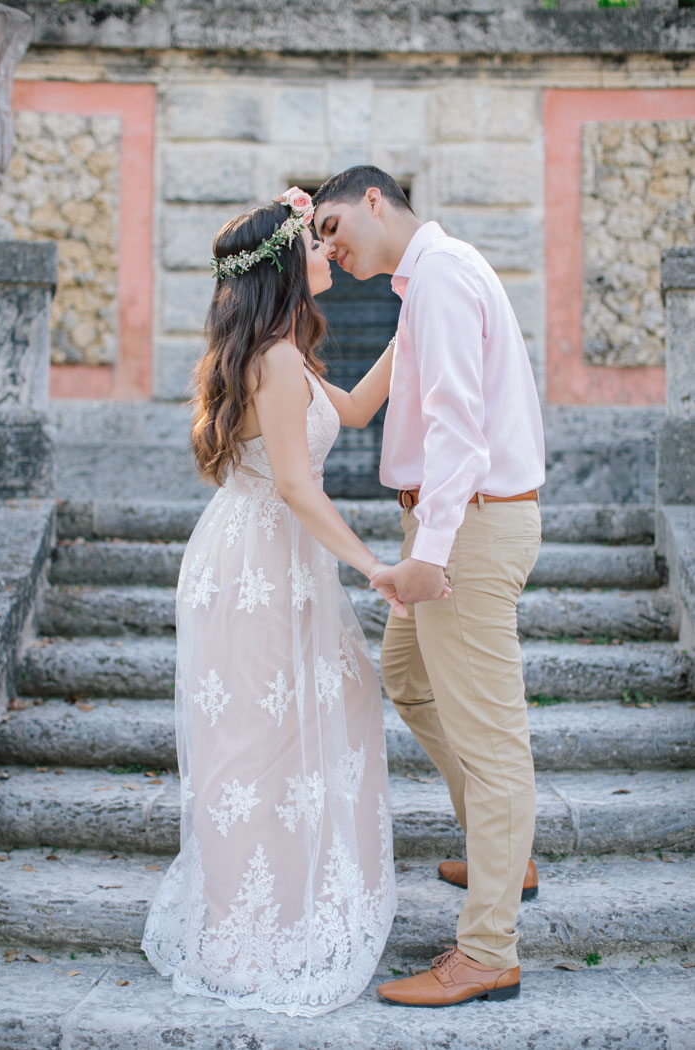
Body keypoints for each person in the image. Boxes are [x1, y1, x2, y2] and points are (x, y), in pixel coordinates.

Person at [141, 187, 441, 1016]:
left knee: (324, 713)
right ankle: (246, 937)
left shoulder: (287, 353)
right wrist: (374, 565)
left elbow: (351, 410)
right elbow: (301, 490)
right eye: (315, 239)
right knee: (254, 743)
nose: (329, 251)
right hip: (256, 563)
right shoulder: (273, 359)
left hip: (276, 557)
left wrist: (414, 326)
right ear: (284, 262)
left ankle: (290, 905)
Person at [313, 166, 545, 1008]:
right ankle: (501, 846)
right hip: (449, 522)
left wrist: (433, 551)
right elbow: (352, 407)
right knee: (409, 681)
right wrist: (258, 345)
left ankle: (488, 950)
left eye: (334, 227)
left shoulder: (443, 277)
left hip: (469, 527)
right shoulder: (424, 286)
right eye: (319, 242)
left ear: (375, 198)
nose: (331, 252)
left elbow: (459, 428)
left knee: (490, 738)